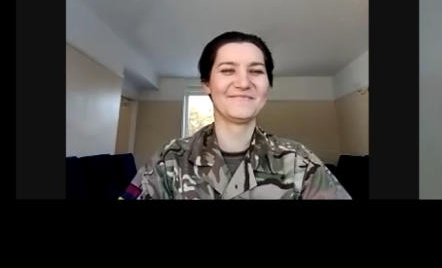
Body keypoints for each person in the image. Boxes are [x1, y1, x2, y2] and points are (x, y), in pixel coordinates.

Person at [122, 31, 350, 199]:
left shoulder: (299, 162)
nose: (243, 83)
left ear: (268, 86)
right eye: (228, 70)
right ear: (207, 85)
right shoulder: (169, 160)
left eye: (256, 71)